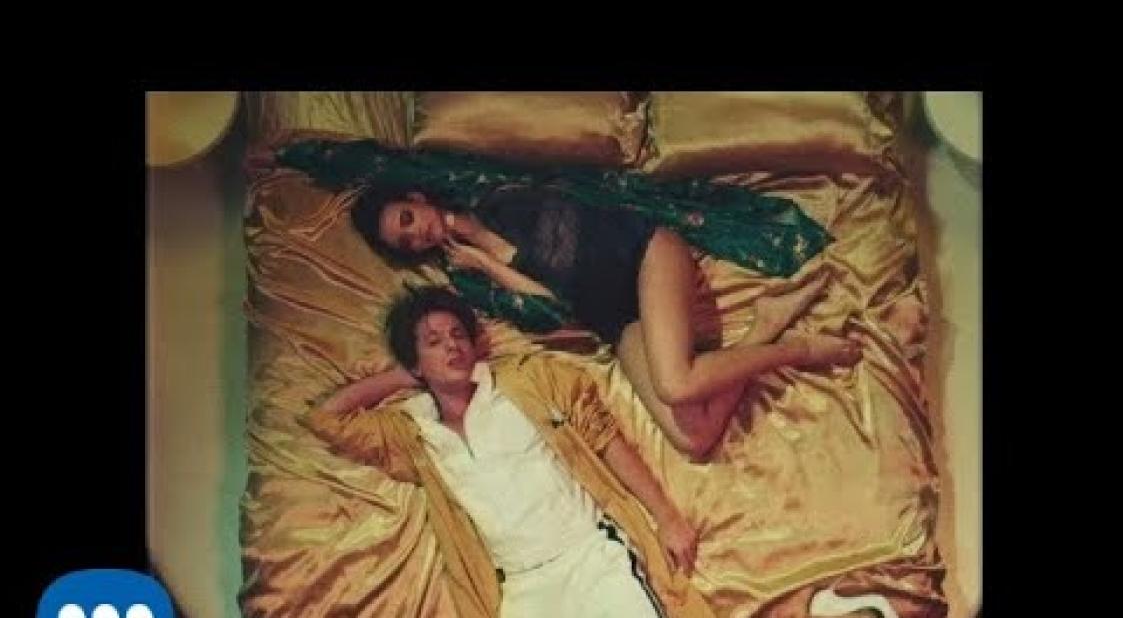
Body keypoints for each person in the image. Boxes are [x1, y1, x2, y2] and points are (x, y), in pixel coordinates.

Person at [322, 179, 862, 461]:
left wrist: (484, 247)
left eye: (409, 218)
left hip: (642, 255)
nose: (417, 235)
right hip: (613, 316)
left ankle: (803, 351)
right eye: (406, 241)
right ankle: (766, 326)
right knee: (693, 438)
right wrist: (484, 266)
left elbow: (566, 257)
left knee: (676, 384)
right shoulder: (466, 279)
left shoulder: (497, 199)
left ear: (418, 198)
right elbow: (552, 308)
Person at [306, 287, 714, 618]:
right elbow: (326, 418)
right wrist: (404, 377)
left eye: (458, 335)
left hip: (590, 554)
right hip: (523, 588)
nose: (452, 346)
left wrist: (667, 517)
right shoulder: (412, 430)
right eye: (434, 342)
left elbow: (606, 441)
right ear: (415, 362)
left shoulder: (528, 381)